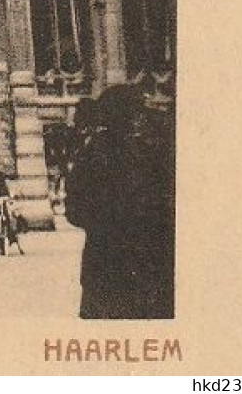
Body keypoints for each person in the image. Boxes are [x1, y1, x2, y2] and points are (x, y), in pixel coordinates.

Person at [65, 83, 175, 319]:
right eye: (136, 110)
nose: (140, 116)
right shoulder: (151, 152)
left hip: (105, 263)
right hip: (145, 264)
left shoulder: (91, 153)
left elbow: (73, 211)